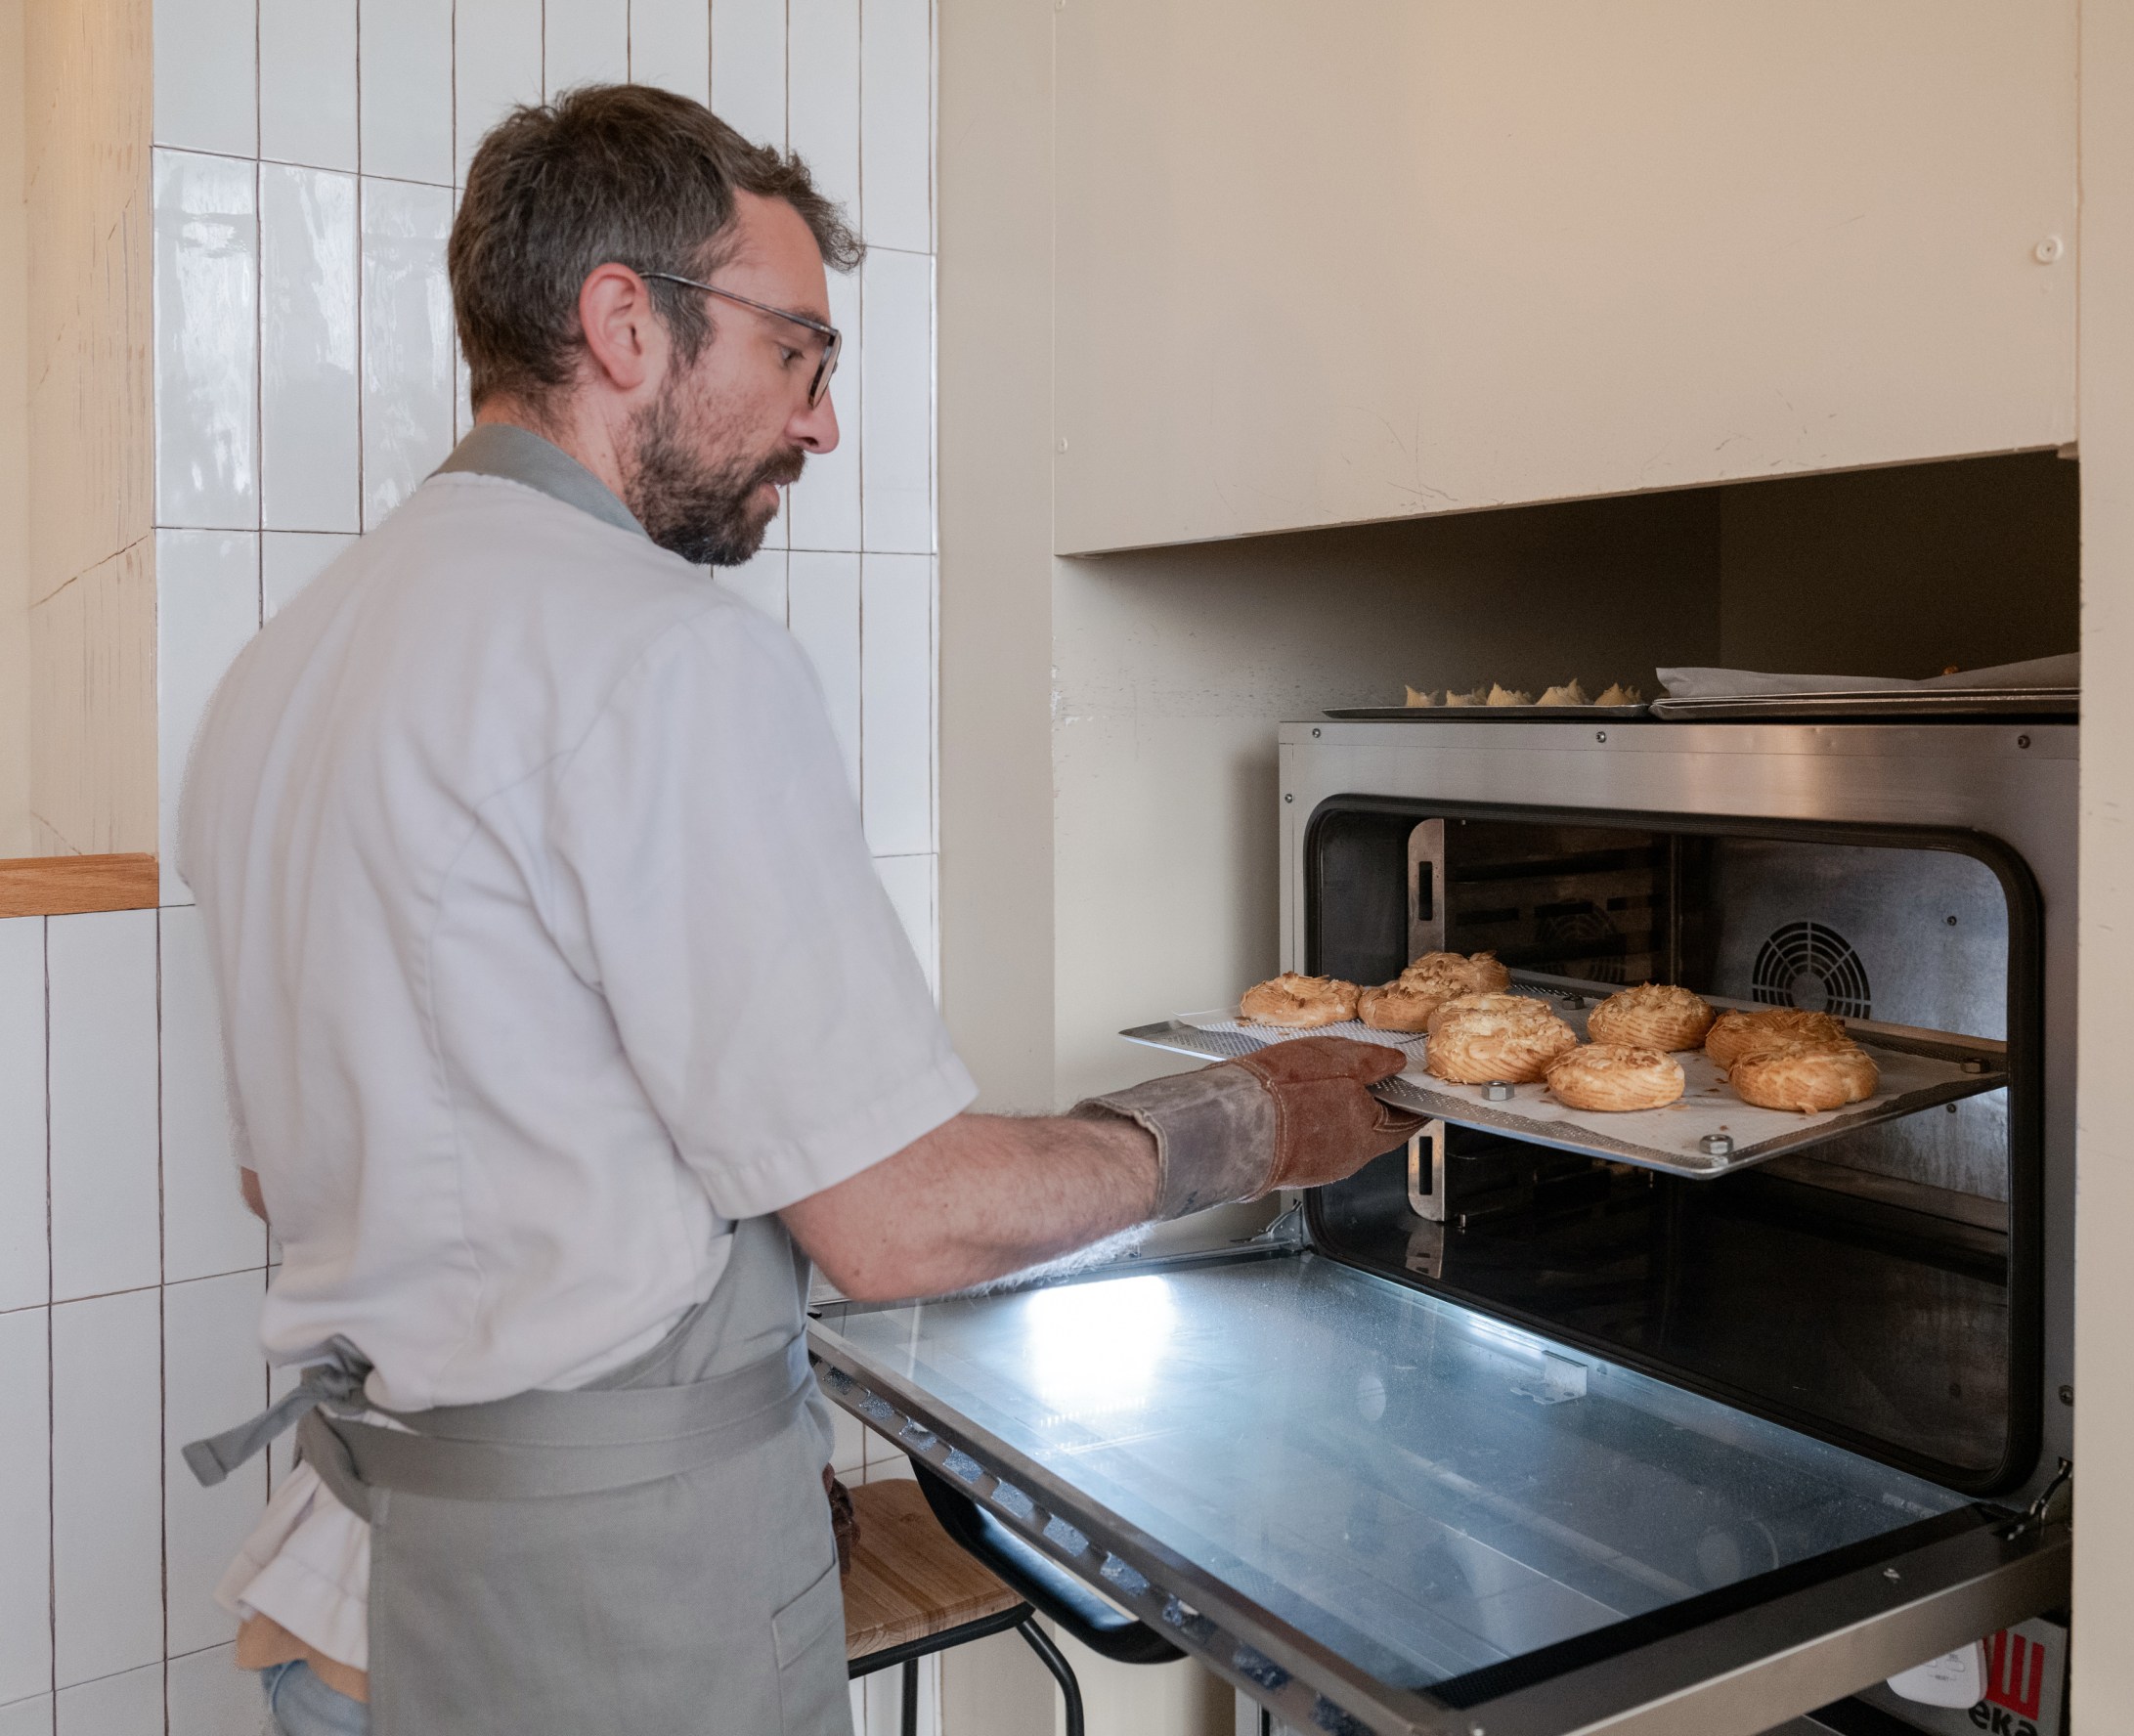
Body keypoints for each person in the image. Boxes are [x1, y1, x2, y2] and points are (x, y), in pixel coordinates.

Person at [174, 85, 1418, 1736]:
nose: (819, 423)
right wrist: (1242, 1122)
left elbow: (300, 1170)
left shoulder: (290, 665)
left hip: (346, 1599)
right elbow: (893, 1221)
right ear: (624, 323)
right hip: (587, 1628)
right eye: (797, 353)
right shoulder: (655, 651)